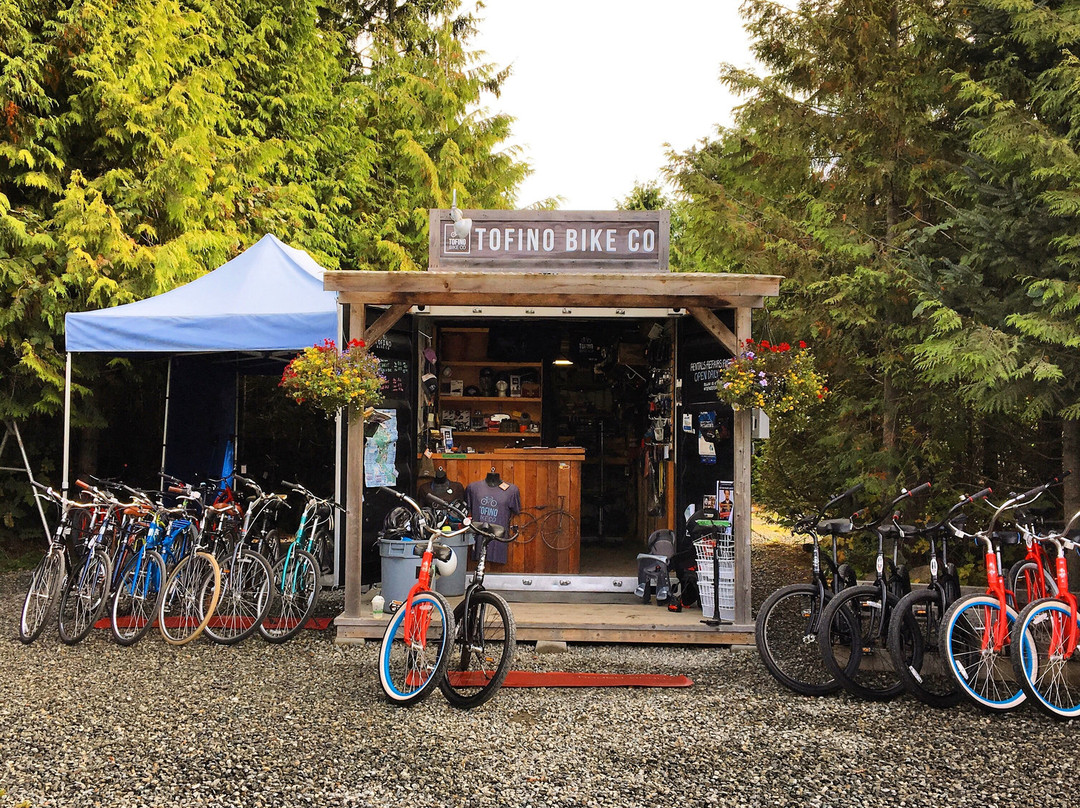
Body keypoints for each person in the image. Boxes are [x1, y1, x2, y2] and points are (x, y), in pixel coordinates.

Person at [464, 468, 520, 565]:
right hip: (478, 540)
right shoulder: (473, 488)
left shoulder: (511, 490)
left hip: (498, 542)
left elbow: (516, 511)